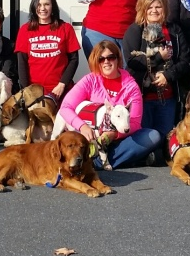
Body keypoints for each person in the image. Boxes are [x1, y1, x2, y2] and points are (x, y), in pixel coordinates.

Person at [57, 41, 161, 170]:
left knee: (152, 136)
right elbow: (65, 107)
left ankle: (96, 162)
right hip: (88, 137)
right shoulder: (89, 80)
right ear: (96, 62)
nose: (106, 62)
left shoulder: (131, 86)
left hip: (119, 139)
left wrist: (113, 135)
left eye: (111, 57)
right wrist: (82, 126)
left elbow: (134, 123)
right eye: (101, 59)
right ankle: (106, 160)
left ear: (118, 59)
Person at [120, 0, 190, 146]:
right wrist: (158, 57)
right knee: (145, 141)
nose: (154, 11)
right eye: (149, 7)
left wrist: (168, 75)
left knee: (164, 143)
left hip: (168, 98)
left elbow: (185, 61)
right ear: (142, 9)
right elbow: (132, 61)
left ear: (164, 8)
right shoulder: (135, 30)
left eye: (158, 7)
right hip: (142, 98)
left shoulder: (174, 30)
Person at [15, 0, 80, 102]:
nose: (42, 8)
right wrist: (27, 90)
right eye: (39, 4)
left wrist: (62, 84)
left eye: (46, 4)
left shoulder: (65, 28)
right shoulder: (25, 30)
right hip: (35, 93)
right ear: (34, 6)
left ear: (52, 7)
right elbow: (22, 62)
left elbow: (74, 60)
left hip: (60, 91)